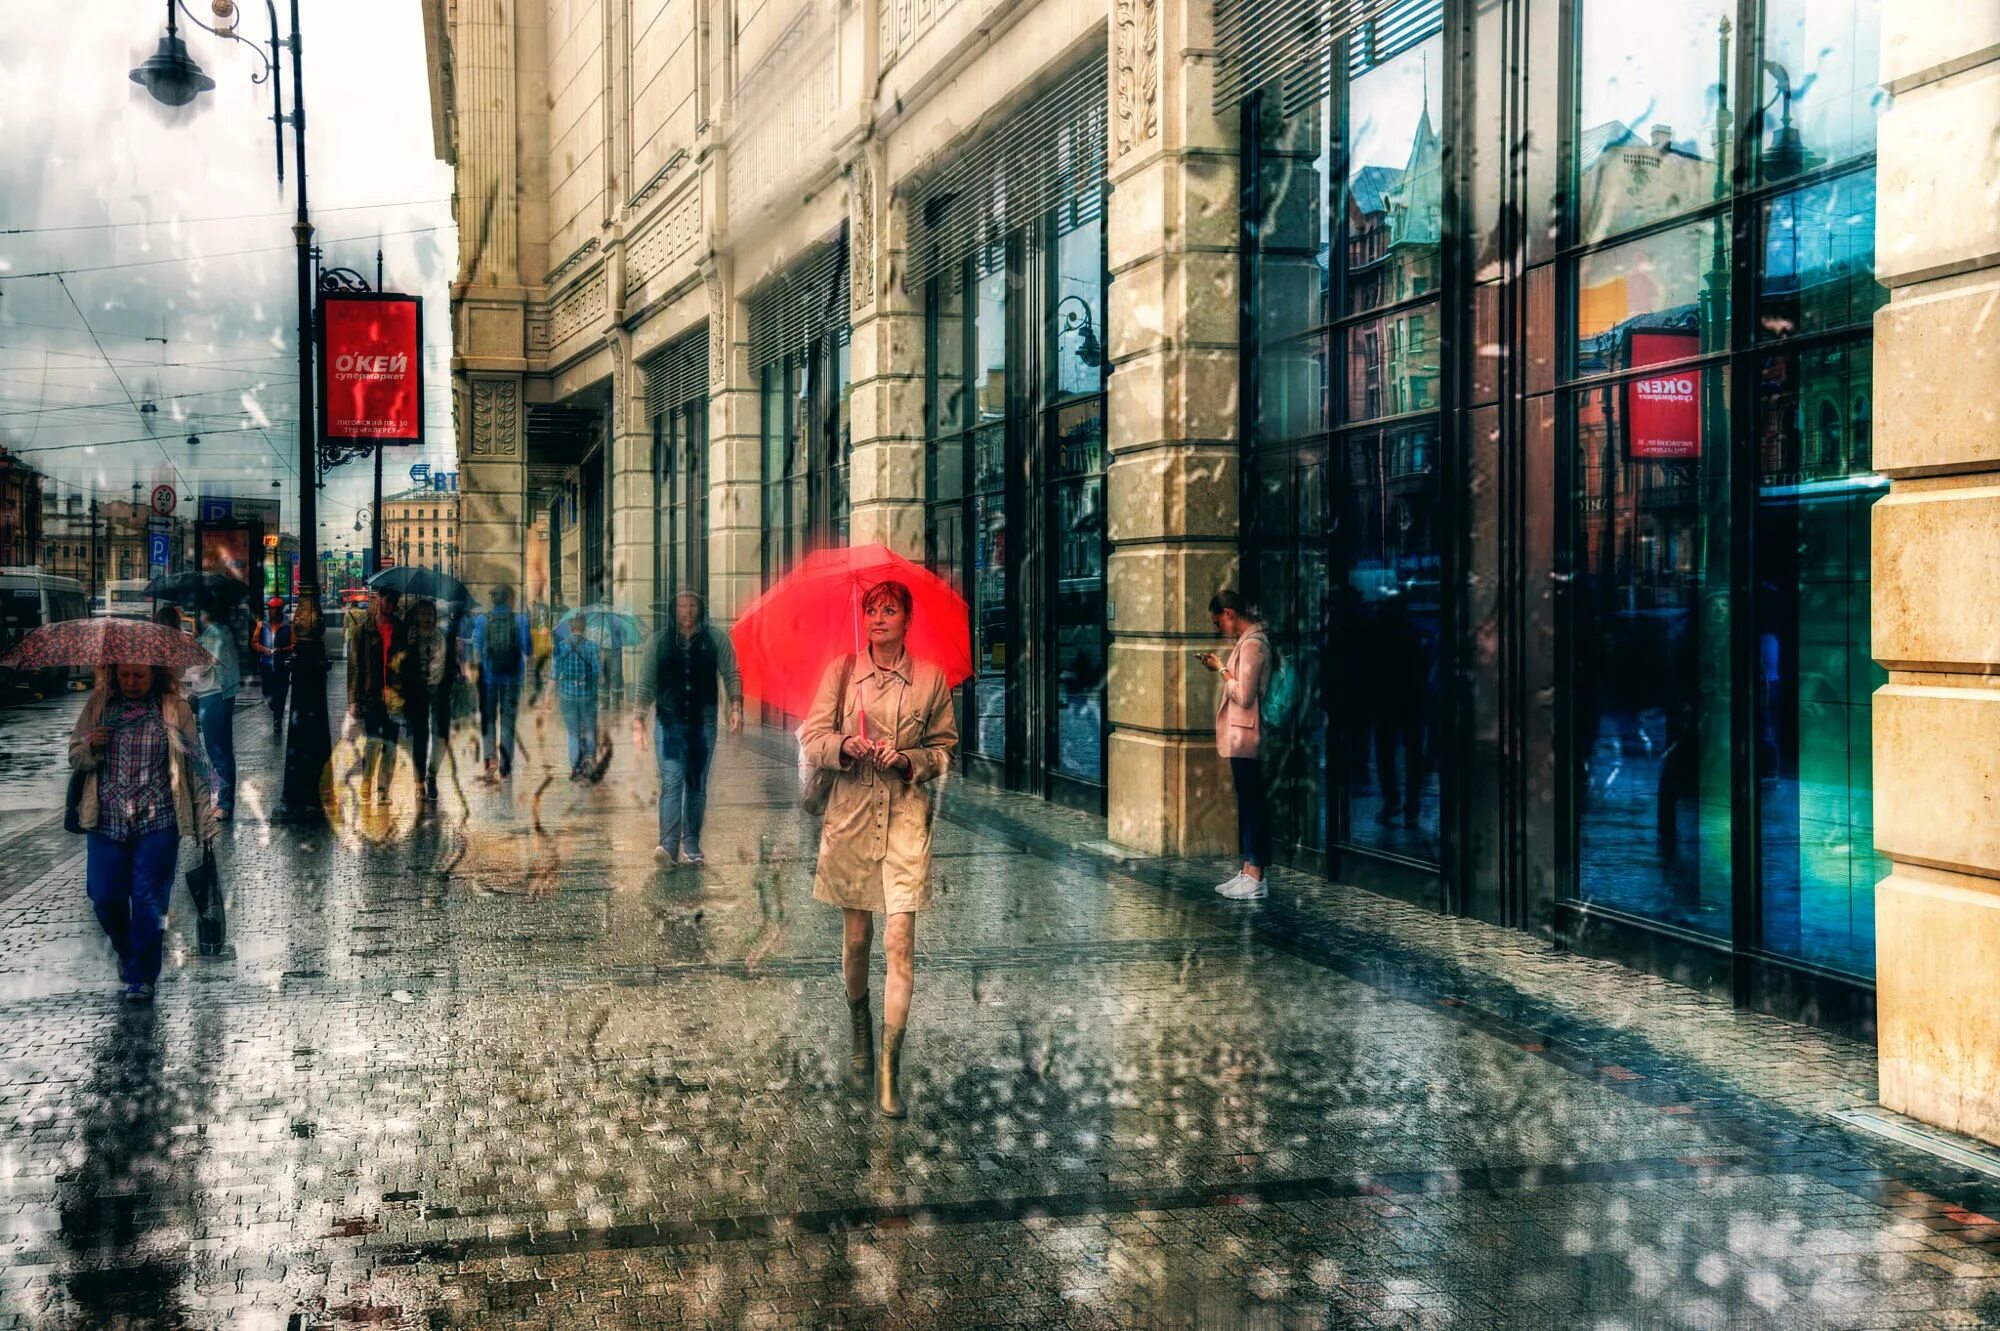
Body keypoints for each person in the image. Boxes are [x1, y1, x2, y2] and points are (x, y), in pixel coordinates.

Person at [799, 581, 958, 1118]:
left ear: (907, 618)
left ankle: (889, 1067)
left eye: (890, 609)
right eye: (872, 610)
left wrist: (908, 760)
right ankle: (859, 1034)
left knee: (899, 940)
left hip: (906, 821)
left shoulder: (931, 680)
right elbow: (812, 737)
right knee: (857, 940)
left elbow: (944, 752)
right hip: (850, 817)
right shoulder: (842, 674)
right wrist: (844, 744)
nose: (879, 618)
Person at [68, 661, 218, 1003]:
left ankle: (141, 976)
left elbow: (198, 766)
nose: (131, 682)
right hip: (107, 822)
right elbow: (74, 754)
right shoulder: (100, 705)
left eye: (139, 676)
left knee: (149, 901)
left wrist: (206, 823)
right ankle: (128, 952)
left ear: (155, 676)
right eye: (124, 675)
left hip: (159, 823)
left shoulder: (174, 709)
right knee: (105, 898)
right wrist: (91, 746)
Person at [635, 591, 743, 866]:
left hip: (703, 722)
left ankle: (691, 840)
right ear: (673, 609)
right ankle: (668, 845)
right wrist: (639, 720)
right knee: (671, 782)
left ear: (700, 608)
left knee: (696, 784)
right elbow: (646, 682)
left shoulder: (716, 639)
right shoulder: (658, 642)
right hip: (668, 722)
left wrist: (735, 706)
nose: (687, 610)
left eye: (692, 604)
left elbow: (731, 673)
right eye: (682, 605)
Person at [1197, 589, 1271, 900]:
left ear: (1230, 613)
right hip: (1242, 735)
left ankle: (1256, 876)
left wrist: (1221, 670)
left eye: (1218, 623)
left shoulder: (1253, 644)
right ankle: (1247, 870)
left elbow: (1244, 695)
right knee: (1248, 803)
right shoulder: (1246, 642)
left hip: (1249, 735)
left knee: (1254, 805)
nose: (1219, 630)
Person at [347, 589, 406, 804]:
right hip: (371, 695)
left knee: (390, 744)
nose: (391, 605)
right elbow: (354, 667)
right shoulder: (362, 631)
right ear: (379, 600)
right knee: (372, 742)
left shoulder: (402, 629)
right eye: (388, 600)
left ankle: (383, 790)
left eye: (395, 601)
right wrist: (353, 699)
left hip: (395, 697)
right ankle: (367, 780)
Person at [188, 601, 241, 821]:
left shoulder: (214, 635)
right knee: (221, 752)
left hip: (213, 695)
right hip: (216, 694)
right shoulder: (220, 632)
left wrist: (192, 648)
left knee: (218, 752)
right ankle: (222, 800)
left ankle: (224, 803)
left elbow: (199, 668)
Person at [472, 583, 530, 781]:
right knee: (507, 722)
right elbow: (527, 648)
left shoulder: (482, 620)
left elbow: (476, 648)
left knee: (488, 720)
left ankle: (490, 760)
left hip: (489, 678)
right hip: (513, 679)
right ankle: (506, 765)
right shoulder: (520, 620)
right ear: (509, 599)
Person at [401, 599, 451, 804]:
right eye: (422, 614)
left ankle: (432, 775)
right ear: (416, 616)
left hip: (440, 692)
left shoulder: (443, 636)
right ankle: (419, 783)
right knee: (420, 738)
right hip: (418, 692)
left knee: (441, 737)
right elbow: (402, 665)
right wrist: (408, 645)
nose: (427, 618)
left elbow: (451, 665)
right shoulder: (410, 636)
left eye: (429, 614)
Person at [552, 613, 602, 780]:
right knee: (589, 729)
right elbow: (597, 672)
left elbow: (554, 673)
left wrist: (547, 695)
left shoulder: (561, 646)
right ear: (584, 627)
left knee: (573, 733)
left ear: (570, 628)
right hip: (588, 694)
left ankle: (575, 768)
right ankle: (589, 760)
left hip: (567, 694)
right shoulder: (592, 647)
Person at [252, 597, 294, 738]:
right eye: (269, 608)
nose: (270, 611)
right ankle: (274, 707)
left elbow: (294, 644)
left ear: (280, 610)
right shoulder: (262, 624)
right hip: (267, 664)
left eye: (273, 608)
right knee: (267, 693)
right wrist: (264, 649)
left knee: (281, 693)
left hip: (282, 665)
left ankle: (277, 719)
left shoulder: (289, 625)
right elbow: (254, 642)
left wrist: (282, 650)